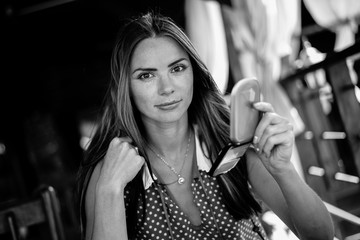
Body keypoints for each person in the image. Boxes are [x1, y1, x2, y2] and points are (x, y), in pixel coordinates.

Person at [76, 11, 334, 240]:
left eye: (177, 69)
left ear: (194, 74)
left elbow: (320, 235)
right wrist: (110, 190)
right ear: (126, 88)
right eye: (146, 75)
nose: (167, 89)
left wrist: (283, 169)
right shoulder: (110, 171)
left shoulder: (229, 138)